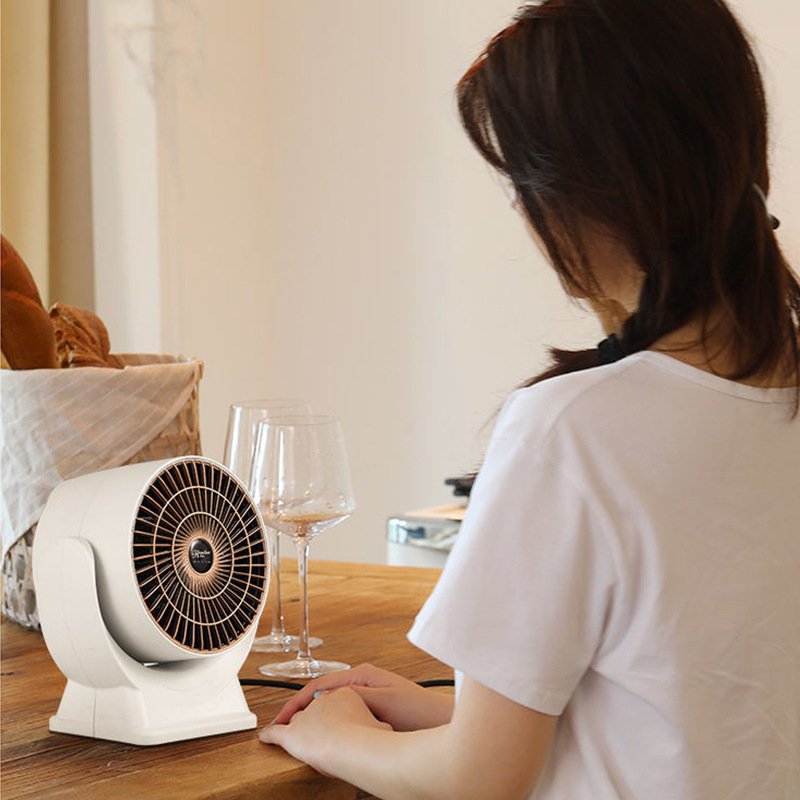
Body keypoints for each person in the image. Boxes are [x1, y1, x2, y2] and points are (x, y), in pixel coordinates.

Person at [259, 0, 800, 797]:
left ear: (599, 188)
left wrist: (336, 737)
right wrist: (461, 715)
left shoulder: (574, 430)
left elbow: (480, 780)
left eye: (522, 177)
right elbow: (703, 717)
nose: (519, 208)